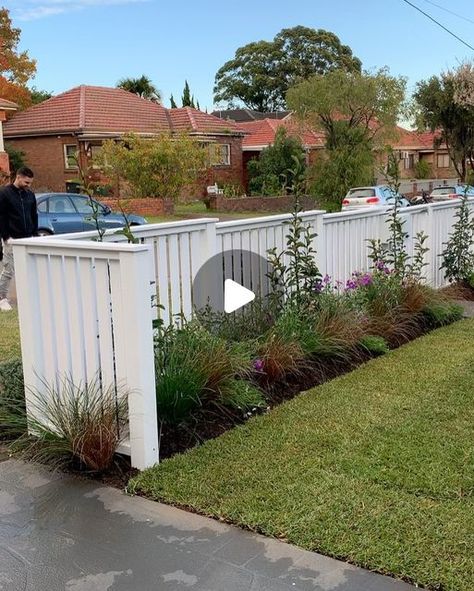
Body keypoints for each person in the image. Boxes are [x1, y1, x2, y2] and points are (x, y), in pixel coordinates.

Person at [0, 167, 38, 311]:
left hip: (28, 238)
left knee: (27, 268)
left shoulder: (30, 195)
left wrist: (34, 234)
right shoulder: (4, 193)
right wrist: (6, 236)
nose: (29, 185)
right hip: (11, 239)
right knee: (9, 269)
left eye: (30, 183)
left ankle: (27, 295)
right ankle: (1, 297)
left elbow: (34, 215)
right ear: (19, 177)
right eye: (27, 182)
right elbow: (1, 216)